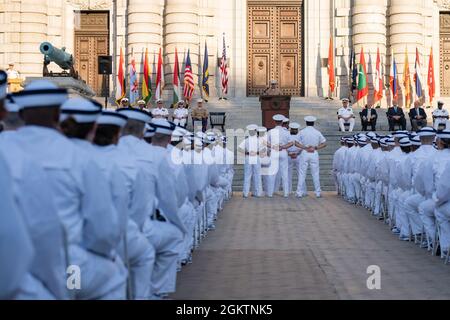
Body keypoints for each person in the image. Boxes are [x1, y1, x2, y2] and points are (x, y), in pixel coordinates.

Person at [12, 81, 127, 299]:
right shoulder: (80, 157)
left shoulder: (5, 146)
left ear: (21, 112)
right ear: (58, 115)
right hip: (65, 266)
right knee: (114, 276)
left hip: (11, 262)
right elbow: (101, 231)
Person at [92, 110, 156, 300]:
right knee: (137, 260)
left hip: (65, 250)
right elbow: (137, 209)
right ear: (116, 134)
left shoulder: (77, 157)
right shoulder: (130, 162)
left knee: (71, 282)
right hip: (107, 241)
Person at [297, 116, 327, 198]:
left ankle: (299, 192)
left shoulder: (302, 132)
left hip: (304, 152)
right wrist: (315, 147)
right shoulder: (317, 132)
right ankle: (317, 192)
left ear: (306, 123)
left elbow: (296, 143)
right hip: (314, 152)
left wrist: (305, 147)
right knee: (315, 173)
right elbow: (324, 143)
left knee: (302, 173)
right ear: (313, 123)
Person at [267, 114, 291, 198]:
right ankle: (286, 193)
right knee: (284, 173)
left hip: (274, 152)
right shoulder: (286, 132)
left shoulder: (270, 132)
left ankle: (270, 193)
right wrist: (283, 147)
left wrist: (274, 147)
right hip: (283, 151)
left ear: (274, 122)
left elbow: (266, 142)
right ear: (282, 122)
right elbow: (291, 143)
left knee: (272, 173)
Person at [238, 124, 262, 198]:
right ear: (255, 131)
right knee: (257, 175)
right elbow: (263, 149)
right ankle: (257, 193)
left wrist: (246, 152)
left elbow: (239, 148)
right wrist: (257, 152)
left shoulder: (246, 140)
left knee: (247, 175)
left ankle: (245, 193)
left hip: (248, 157)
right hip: (256, 157)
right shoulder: (259, 140)